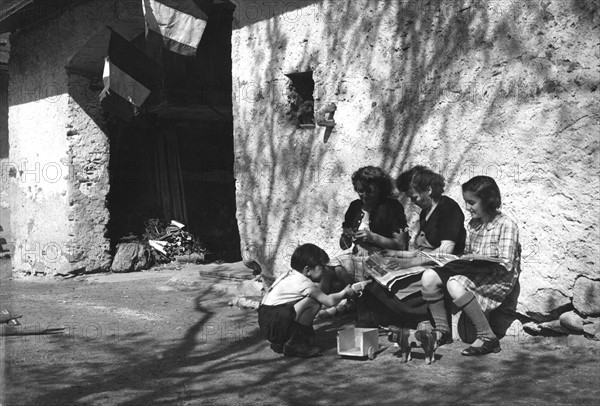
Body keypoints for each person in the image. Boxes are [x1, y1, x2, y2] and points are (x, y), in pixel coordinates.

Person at [421, 176, 519, 356]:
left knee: (453, 283)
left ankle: (488, 337)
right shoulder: (473, 224)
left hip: (497, 278)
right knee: (428, 276)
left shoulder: (506, 224)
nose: (468, 207)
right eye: (466, 202)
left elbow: (506, 263)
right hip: (474, 272)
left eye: (472, 202)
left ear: (488, 200)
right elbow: (468, 255)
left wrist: (476, 261)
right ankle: (442, 331)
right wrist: (458, 261)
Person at [358, 167, 467, 327]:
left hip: (442, 267)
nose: (412, 202)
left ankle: (421, 318)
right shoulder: (425, 212)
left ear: (428, 190)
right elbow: (422, 251)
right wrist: (398, 254)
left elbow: (446, 251)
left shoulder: (449, 209)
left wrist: (410, 263)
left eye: (414, 197)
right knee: (371, 281)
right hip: (424, 262)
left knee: (383, 289)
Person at [258, 243, 356, 358]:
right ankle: (294, 345)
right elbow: (329, 301)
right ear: (307, 270)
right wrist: (344, 293)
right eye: (322, 266)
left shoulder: (288, 275)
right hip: (274, 323)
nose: (325, 270)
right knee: (314, 302)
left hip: (267, 320)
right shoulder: (304, 283)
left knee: (304, 302)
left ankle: (285, 341)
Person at [321, 166, 409, 294]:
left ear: (379, 188)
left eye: (369, 191)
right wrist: (346, 236)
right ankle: (347, 296)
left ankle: (357, 297)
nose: (365, 195)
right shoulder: (355, 207)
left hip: (383, 259)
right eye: (361, 191)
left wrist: (373, 237)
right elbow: (345, 246)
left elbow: (401, 245)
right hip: (358, 258)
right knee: (330, 267)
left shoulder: (391, 207)